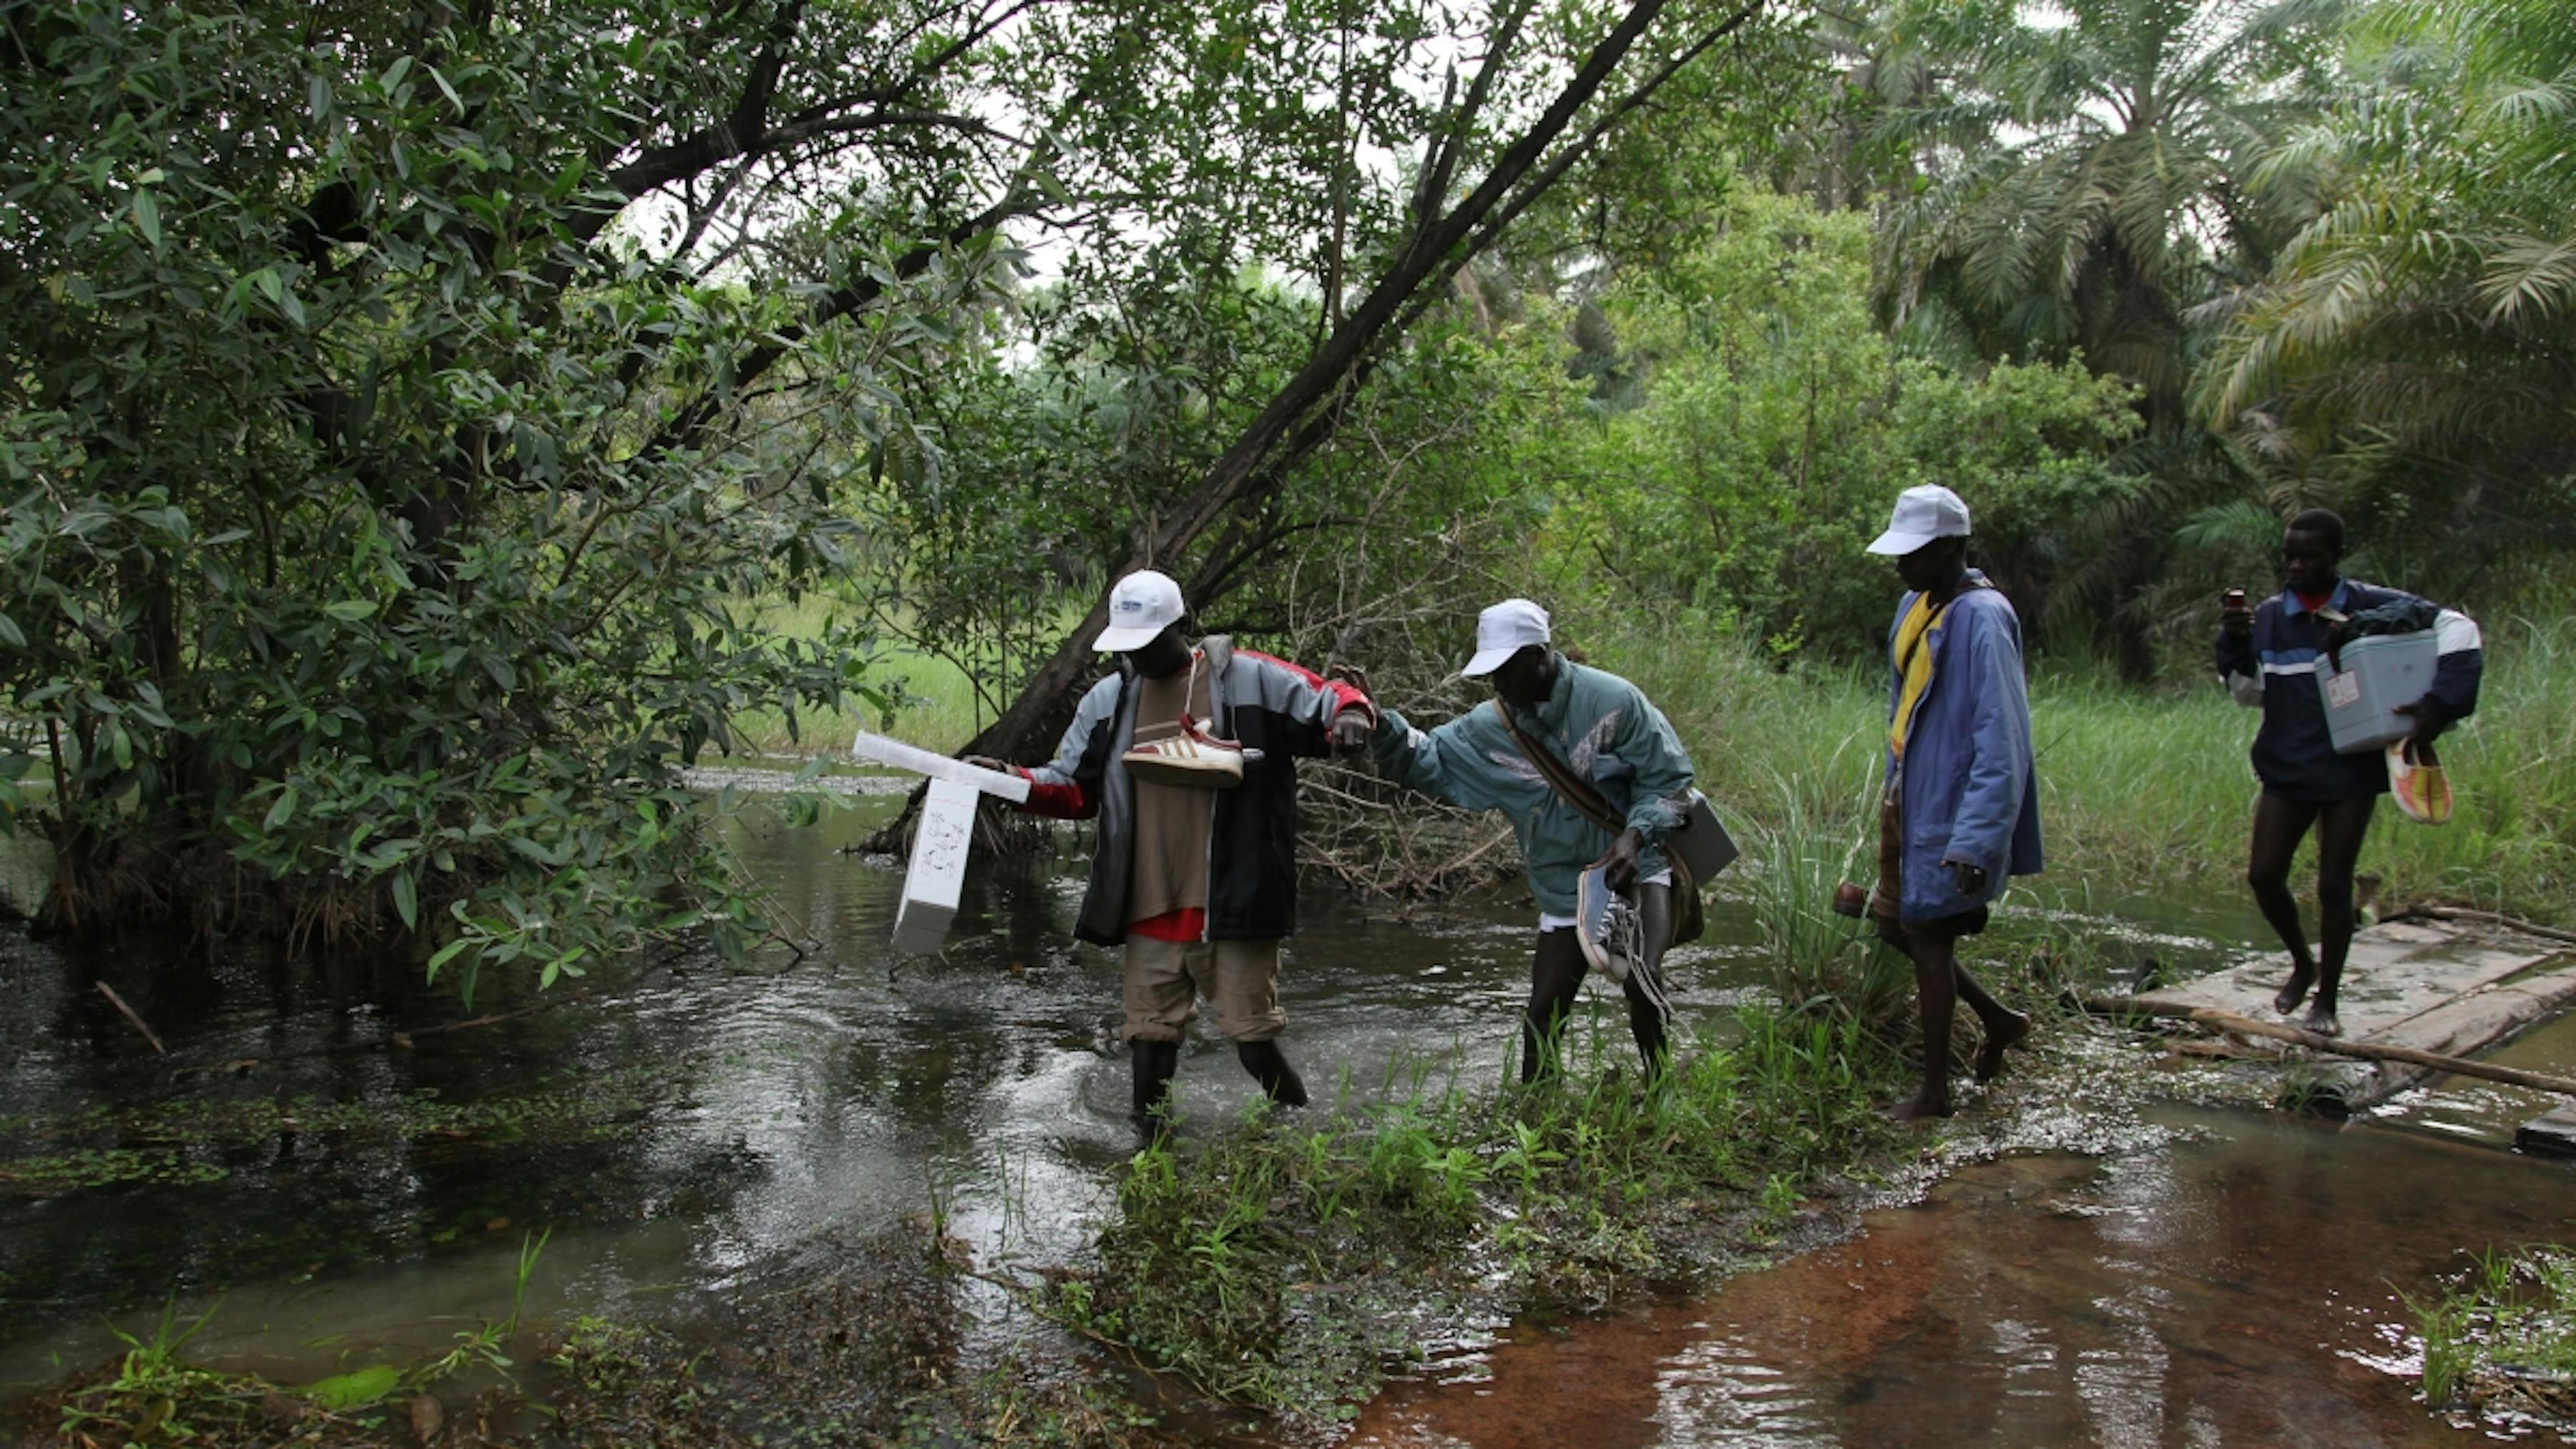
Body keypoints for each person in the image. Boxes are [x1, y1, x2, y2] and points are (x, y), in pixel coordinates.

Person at [970, 570, 1374, 1141]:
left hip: (1233, 901)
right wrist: (1011, 781)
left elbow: (1330, 699)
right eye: (1128, 644)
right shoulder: (1109, 701)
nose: (1138, 656)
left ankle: (1299, 1138)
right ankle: (1149, 1156)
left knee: (1254, 1040)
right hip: (1149, 905)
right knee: (1149, 1043)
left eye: (1149, 641)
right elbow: (1074, 788)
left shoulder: (1248, 678)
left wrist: (1354, 715)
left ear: (1181, 625)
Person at [1365, 599, 1697, 1083]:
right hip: (1563, 885)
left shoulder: (1614, 700)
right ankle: (1536, 1115)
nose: (1497, 682)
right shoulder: (1488, 726)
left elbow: (1672, 783)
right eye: (1490, 671)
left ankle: (1663, 1088)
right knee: (1542, 1013)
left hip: (1640, 865)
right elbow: (1428, 759)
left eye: (1506, 668)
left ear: (1540, 654)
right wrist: (1380, 722)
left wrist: (1635, 835)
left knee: (1644, 981)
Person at [2215, 508, 2482, 1037]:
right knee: (2264, 874)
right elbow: (2250, 693)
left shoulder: (2373, 606)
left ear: (2337, 556)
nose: (2295, 565)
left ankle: (2327, 1001)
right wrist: (2235, 644)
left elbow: (2459, 628)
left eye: (2309, 556)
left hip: (2350, 769)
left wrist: (2439, 705)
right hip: (2288, 764)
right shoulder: (2269, 616)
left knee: (2335, 884)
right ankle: (2302, 962)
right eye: (2289, 555)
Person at [1863, 484, 2042, 1120]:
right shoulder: (1916, 603)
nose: (1901, 563)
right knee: (1896, 921)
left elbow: (2003, 738)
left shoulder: (1983, 618)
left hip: (1952, 807)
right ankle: (1997, 1018)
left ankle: (1934, 1093)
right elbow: (1905, 705)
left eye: (1914, 552)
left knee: (1930, 937)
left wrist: (1976, 838)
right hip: (1909, 798)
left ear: (1953, 547)